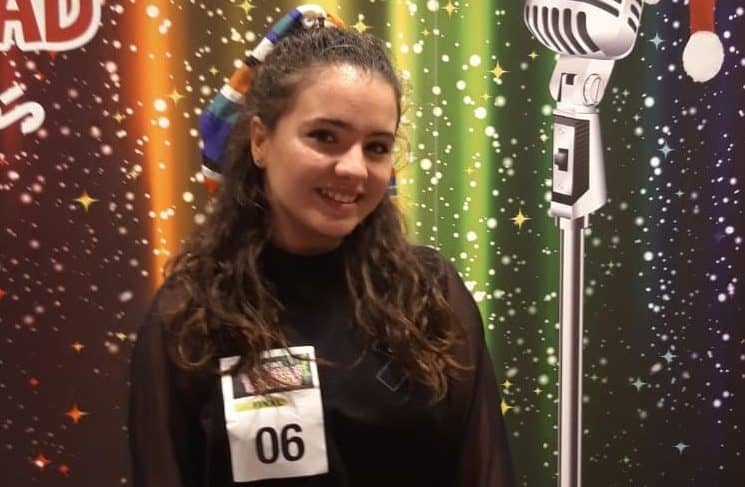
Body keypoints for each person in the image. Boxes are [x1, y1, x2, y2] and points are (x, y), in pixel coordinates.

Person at [128, 9, 514, 487]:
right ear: (261, 141)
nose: (353, 168)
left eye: (376, 147)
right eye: (325, 137)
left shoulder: (430, 296)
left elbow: (483, 469)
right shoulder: (192, 317)